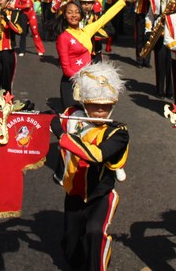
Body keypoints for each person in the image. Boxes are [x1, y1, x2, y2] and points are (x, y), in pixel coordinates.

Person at [50, 62, 129, 271]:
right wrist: (26, 115)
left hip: (99, 195)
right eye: (94, 105)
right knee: (70, 245)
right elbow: (49, 123)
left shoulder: (118, 132)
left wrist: (62, 136)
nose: (100, 111)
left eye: (106, 106)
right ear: (84, 103)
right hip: (74, 193)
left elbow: (96, 155)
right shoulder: (72, 115)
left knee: (95, 233)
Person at [56, 0, 136, 110]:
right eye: (69, 12)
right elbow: (66, 69)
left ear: (81, 15)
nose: (73, 15)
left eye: (77, 12)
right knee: (72, 118)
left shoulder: (86, 31)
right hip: (71, 84)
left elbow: (106, 16)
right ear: (65, 15)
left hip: (87, 84)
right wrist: (84, 79)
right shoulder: (63, 37)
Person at [146, 0, 176, 98]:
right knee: (160, 62)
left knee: (172, 63)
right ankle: (160, 89)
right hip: (159, 33)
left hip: (174, 35)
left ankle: (170, 90)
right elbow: (149, 16)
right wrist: (148, 30)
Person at [130, 0, 151, 67]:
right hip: (139, 15)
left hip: (149, 15)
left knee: (148, 38)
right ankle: (139, 60)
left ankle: (146, 60)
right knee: (139, 38)